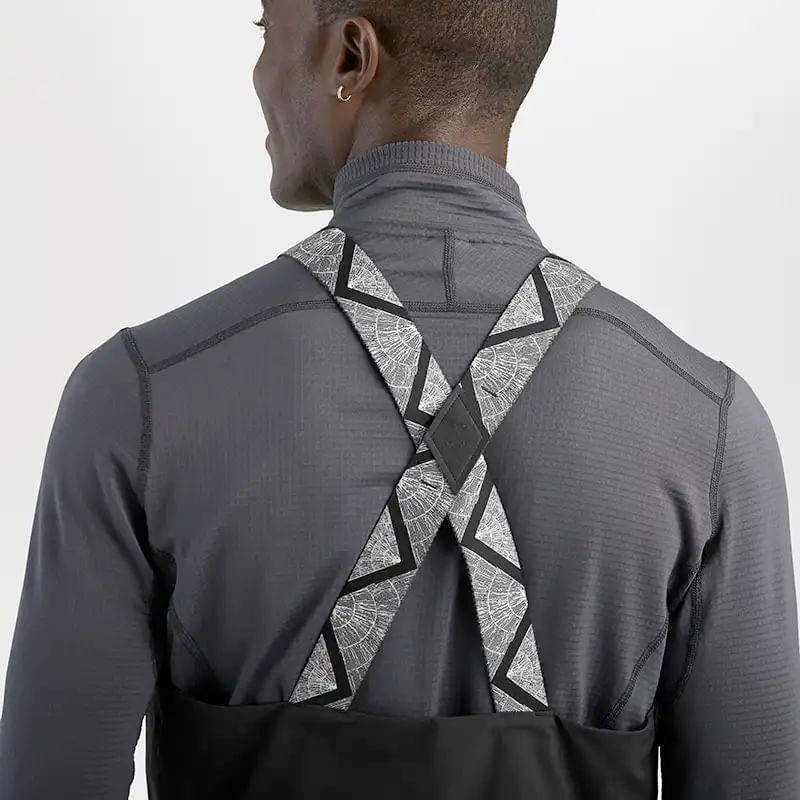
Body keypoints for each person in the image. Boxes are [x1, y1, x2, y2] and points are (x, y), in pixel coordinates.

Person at [1, 0, 798, 797]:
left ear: (351, 56)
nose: (258, 73)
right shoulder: (710, 427)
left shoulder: (142, 394)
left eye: (266, 31)